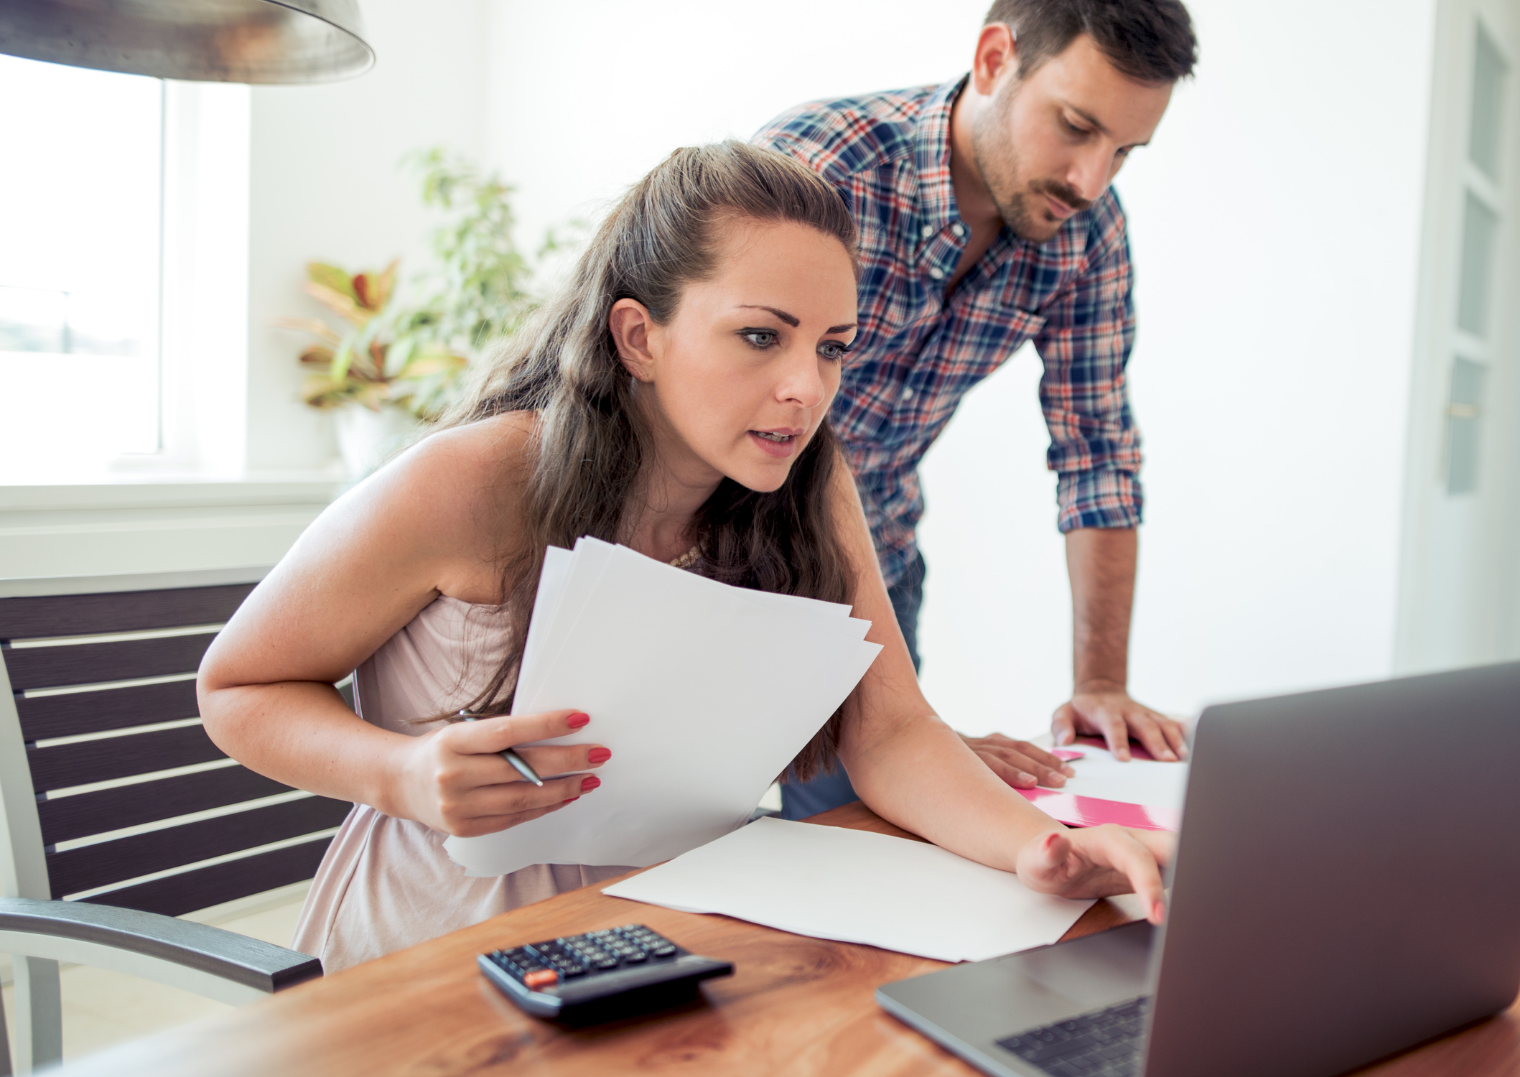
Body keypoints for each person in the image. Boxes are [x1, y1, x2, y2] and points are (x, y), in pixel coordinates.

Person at [197, 142, 1169, 973]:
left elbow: (892, 733)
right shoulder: (475, 481)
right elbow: (238, 689)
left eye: (833, 347)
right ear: (639, 335)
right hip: (434, 953)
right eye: (760, 336)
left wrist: (1042, 848)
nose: (805, 387)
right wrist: (401, 773)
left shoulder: (809, 484)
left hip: (681, 928)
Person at [755, 0, 1199, 819]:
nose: (1089, 180)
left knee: (858, 861)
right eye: (1074, 126)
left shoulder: (1085, 235)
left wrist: (1101, 684)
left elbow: (1097, 453)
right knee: (665, 864)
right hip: (719, 570)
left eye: (1124, 152)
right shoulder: (819, 171)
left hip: (872, 575)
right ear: (995, 60)